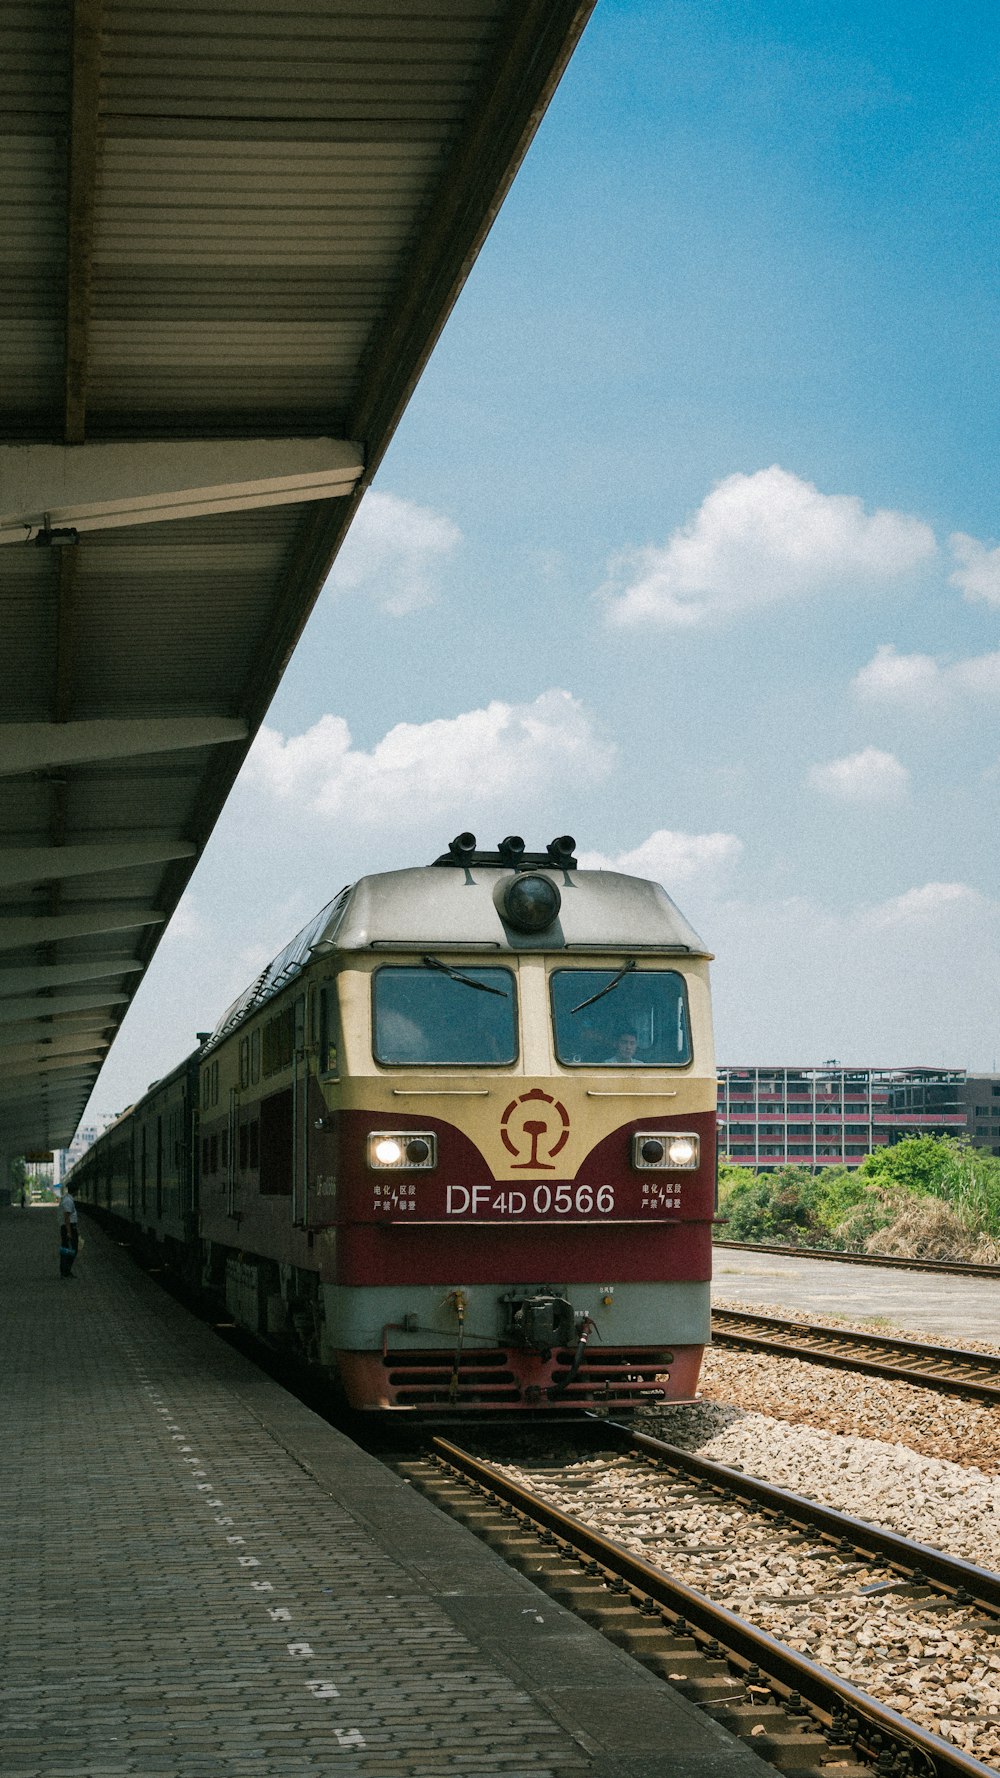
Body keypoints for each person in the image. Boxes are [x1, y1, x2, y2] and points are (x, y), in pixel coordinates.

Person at [58, 1184, 79, 1278]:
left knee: (67, 1249)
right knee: (71, 1249)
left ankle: (65, 1271)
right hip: (68, 1227)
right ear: (75, 1191)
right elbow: (66, 1217)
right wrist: (69, 1232)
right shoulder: (68, 1201)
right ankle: (65, 1271)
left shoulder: (67, 1199)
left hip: (68, 1227)